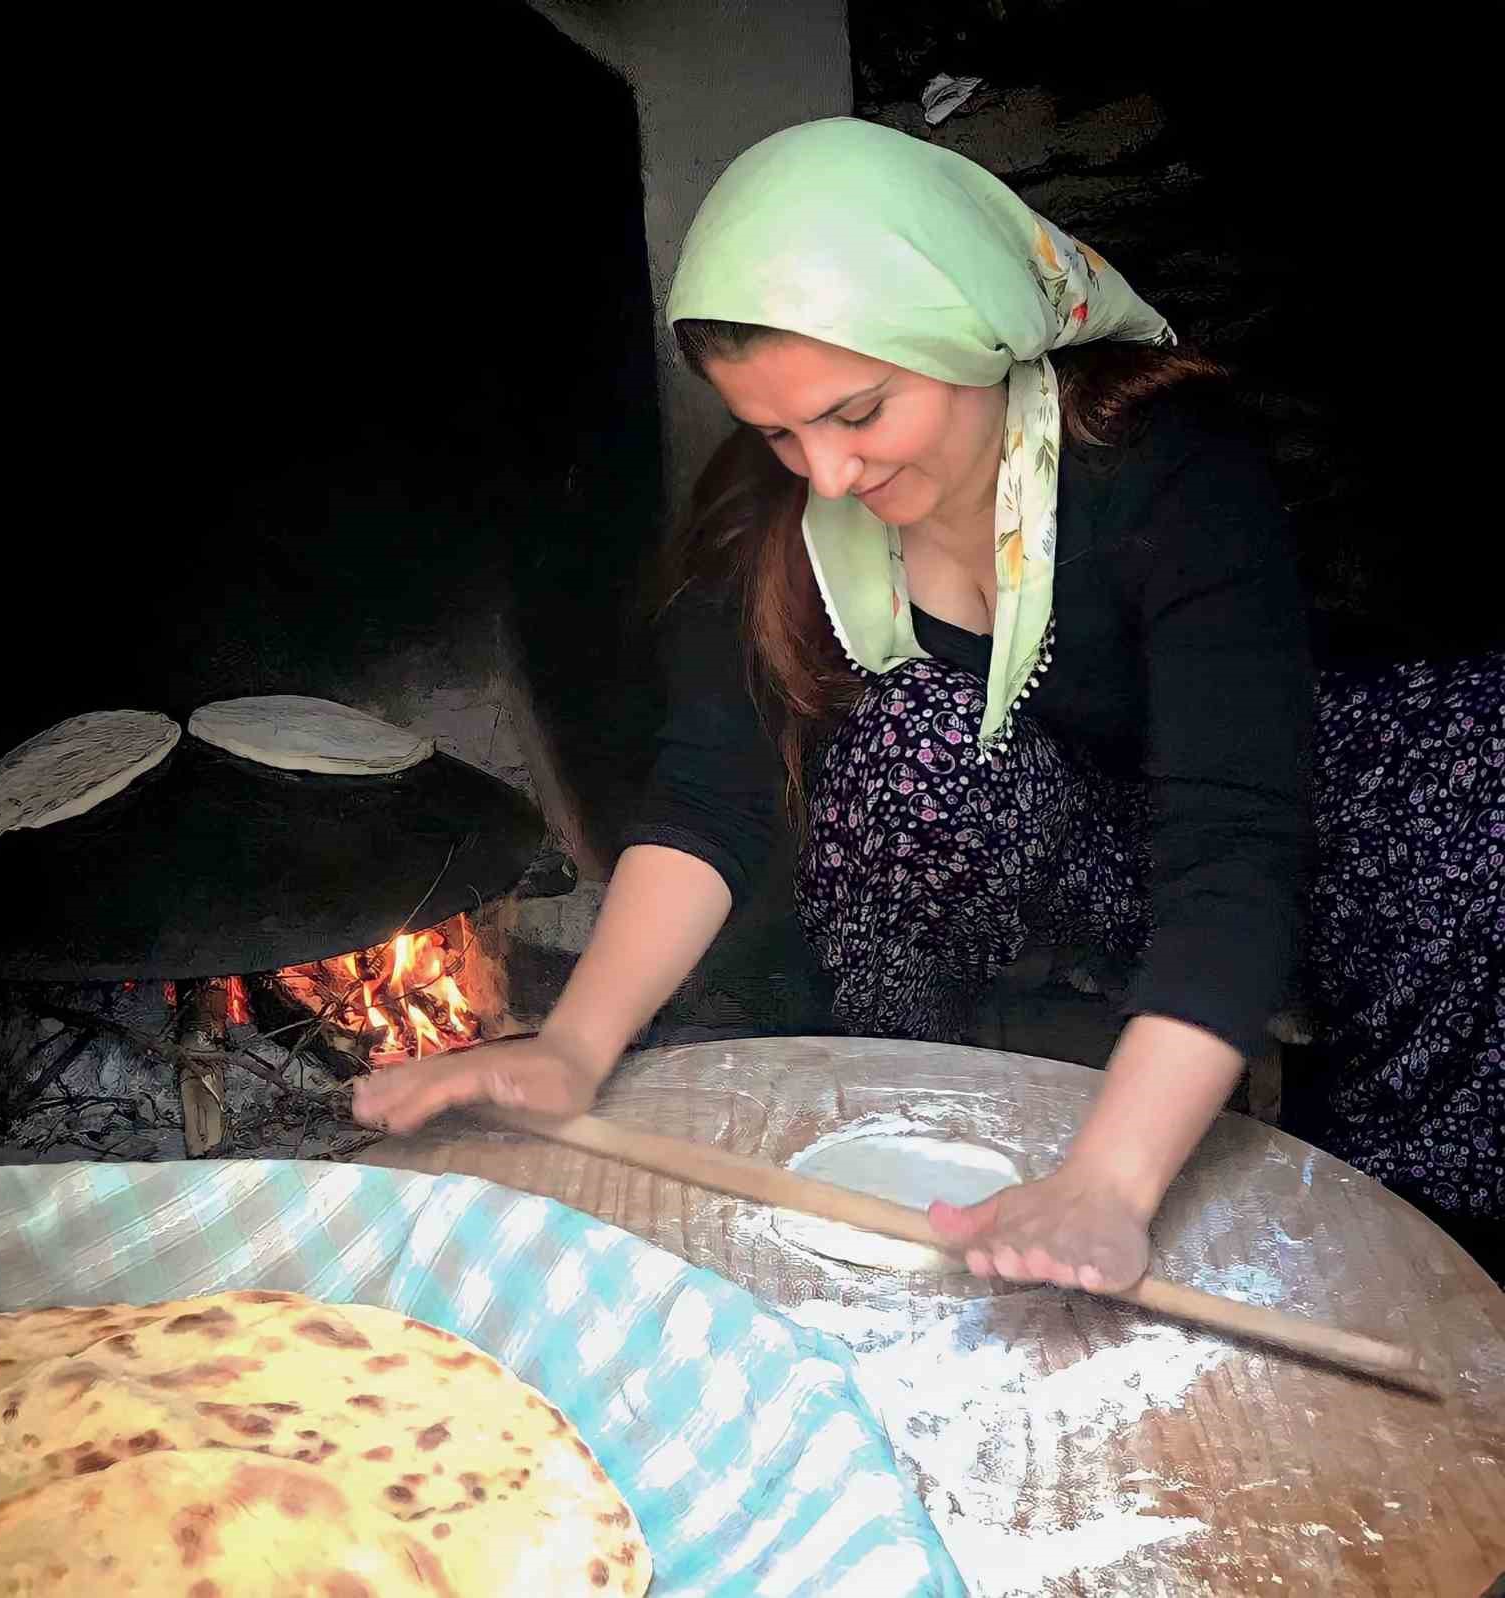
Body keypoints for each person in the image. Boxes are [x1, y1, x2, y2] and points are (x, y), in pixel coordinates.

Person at [356, 119, 1502, 1286]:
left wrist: (1111, 1178)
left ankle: (1398, 1225)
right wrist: (571, 1043)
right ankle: (911, 1117)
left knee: (1484, 760)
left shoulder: (1164, 470)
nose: (828, 471)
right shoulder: (782, 521)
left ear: (971, 333)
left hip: (1328, 815)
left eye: (856, 413)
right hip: (1096, 837)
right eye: (776, 430)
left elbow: (1234, 842)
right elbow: (708, 795)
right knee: (918, 742)